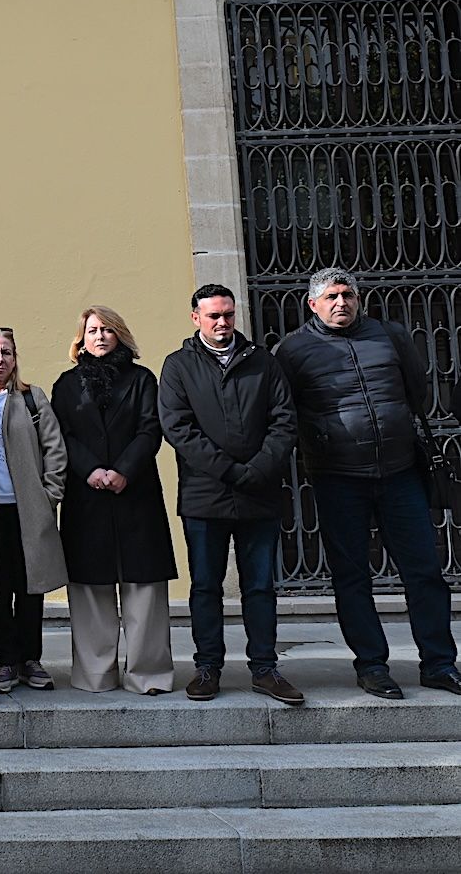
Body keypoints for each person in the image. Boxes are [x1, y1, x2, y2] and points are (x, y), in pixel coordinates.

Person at [276, 267, 461, 698]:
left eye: (348, 295)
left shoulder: (389, 335)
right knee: (352, 577)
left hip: (400, 473)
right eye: (332, 297)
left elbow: (415, 390)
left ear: (358, 299)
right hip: (337, 477)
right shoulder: (293, 350)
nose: (342, 303)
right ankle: (372, 666)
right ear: (313, 304)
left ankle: (438, 663)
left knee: (425, 573)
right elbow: (285, 410)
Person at [160, 285, 302, 705]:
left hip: (259, 493)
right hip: (206, 496)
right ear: (195, 318)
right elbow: (178, 428)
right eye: (213, 316)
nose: (222, 323)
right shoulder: (179, 366)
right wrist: (228, 470)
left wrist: (258, 469)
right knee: (206, 585)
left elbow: (284, 419)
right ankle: (208, 668)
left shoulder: (263, 362)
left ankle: (264, 668)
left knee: (259, 585)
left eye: (228, 314)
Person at [51, 306, 175, 695]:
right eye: (92, 330)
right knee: (90, 590)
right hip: (86, 496)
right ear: (81, 339)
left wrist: (123, 469)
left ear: (120, 334)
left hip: (135, 493)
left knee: (144, 592)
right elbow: (62, 435)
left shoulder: (142, 379)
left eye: (107, 329)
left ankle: (149, 674)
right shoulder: (66, 384)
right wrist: (90, 470)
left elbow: (149, 429)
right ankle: (95, 674)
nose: (100, 336)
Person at [0, 328, 68, 693]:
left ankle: (31, 658)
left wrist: (49, 497)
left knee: (31, 587)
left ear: (15, 358)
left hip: (28, 511)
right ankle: (4, 660)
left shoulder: (32, 398)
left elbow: (55, 450)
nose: (0, 360)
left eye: (6, 353)